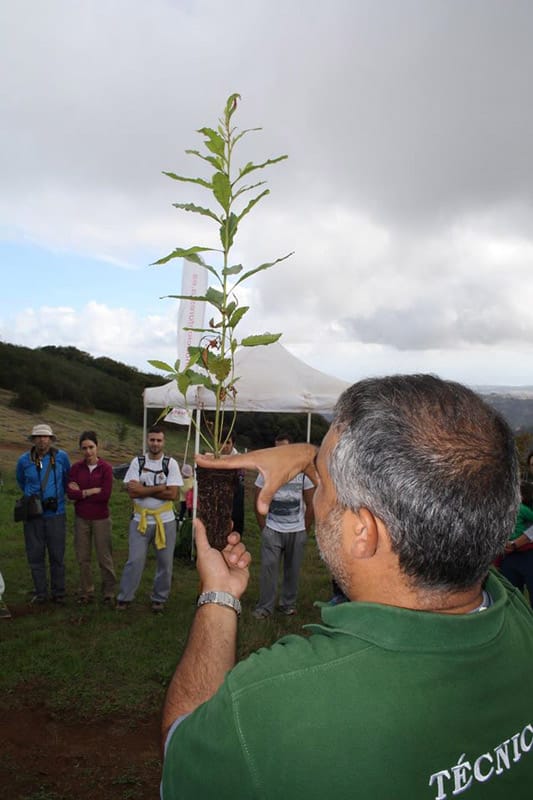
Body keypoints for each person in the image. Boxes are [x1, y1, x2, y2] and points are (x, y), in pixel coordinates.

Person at [161, 375, 533, 799]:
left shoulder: (275, 704)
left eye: (322, 482)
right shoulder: (515, 616)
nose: (315, 498)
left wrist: (218, 598)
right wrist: (311, 457)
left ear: (363, 532)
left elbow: (180, 748)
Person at [116, 426, 181, 613]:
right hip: (140, 521)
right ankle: (125, 597)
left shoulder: (171, 464)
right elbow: (132, 491)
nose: (155, 443)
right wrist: (159, 488)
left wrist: (145, 489)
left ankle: (159, 598)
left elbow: (173, 494)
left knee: (165, 563)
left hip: (165, 521)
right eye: (152, 440)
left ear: (163, 442)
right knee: (134, 560)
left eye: (159, 440)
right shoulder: (137, 461)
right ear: (147, 441)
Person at [252, 432, 315, 618]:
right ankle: (265, 608)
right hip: (273, 528)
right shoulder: (266, 470)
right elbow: (257, 499)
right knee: (268, 569)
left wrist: (305, 528)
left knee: (292, 569)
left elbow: (311, 502)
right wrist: (264, 528)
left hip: (297, 530)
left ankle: (288, 604)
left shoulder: (303, 472)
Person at [16, 424, 71, 605]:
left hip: (56, 513)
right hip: (33, 516)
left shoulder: (61, 457)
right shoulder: (24, 460)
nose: (41, 440)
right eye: (38, 436)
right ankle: (40, 593)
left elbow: (66, 480)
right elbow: (21, 481)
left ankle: (59, 592)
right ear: (33, 439)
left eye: (45, 436)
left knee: (57, 555)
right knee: (35, 555)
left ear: (51, 439)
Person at [67, 431, 116, 605]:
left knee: (104, 556)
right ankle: (86, 591)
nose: (88, 451)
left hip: (101, 518)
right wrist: (90, 491)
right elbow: (70, 494)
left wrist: (80, 492)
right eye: (84, 448)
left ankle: (109, 591)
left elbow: (105, 495)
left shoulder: (106, 468)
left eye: (91, 447)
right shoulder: (75, 468)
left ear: (97, 447)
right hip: (81, 518)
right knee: (83, 557)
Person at [499, 481, 533, 606]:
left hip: (527, 552)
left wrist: (514, 544)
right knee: (511, 594)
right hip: (510, 554)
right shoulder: (511, 507)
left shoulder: (520, 508)